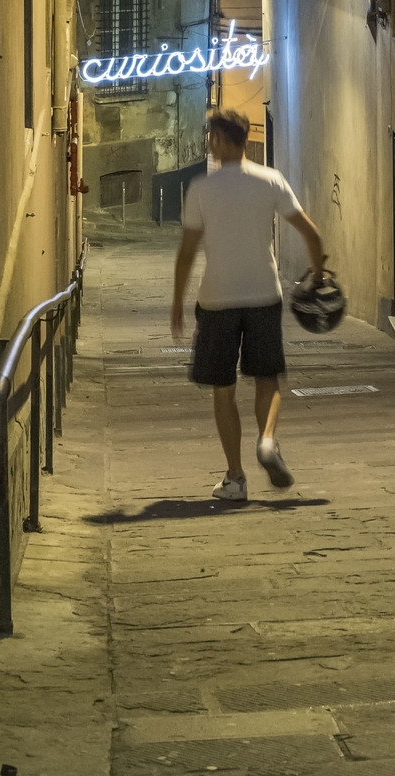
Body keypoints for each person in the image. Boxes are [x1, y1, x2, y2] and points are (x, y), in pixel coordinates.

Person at [171, 107, 326, 503]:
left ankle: (235, 478)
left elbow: (188, 251)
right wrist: (318, 274)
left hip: (217, 298)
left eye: (210, 136)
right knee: (267, 378)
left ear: (220, 140)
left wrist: (176, 301)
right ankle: (269, 441)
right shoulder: (270, 180)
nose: (209, 142)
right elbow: (311, 233)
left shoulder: (201, 189)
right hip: (263, 294)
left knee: (223, 389)